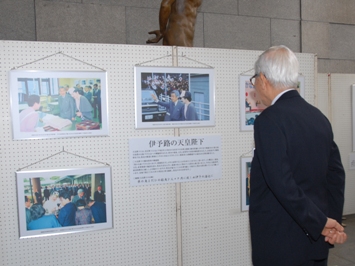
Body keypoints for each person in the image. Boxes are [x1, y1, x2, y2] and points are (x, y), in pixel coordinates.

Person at [249, 45, 347, 266]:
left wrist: (321, 223)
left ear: (263, 79)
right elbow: (336, 177)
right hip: (314, 243)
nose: (254, 85)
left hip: (281, 245)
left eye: (254, 79)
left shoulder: (269, 120)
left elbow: (282, 183)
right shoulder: (318, 117)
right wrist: (330, 224)